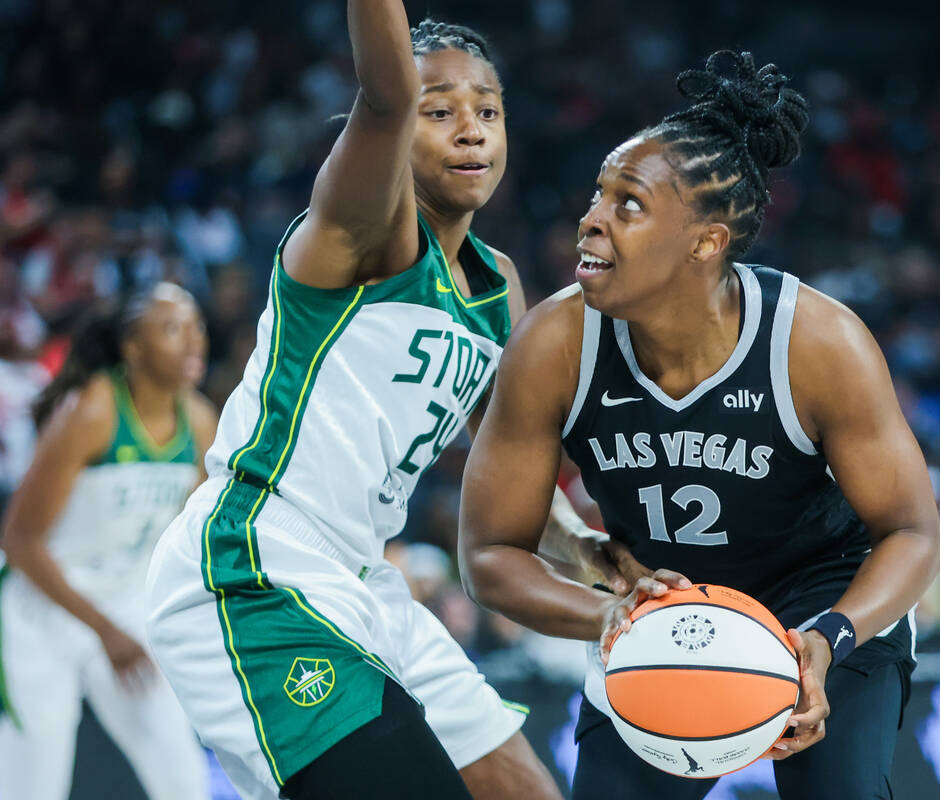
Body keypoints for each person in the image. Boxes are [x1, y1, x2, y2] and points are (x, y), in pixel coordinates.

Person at [143, 3, 637, 799]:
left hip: (367, 582)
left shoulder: (497, 286)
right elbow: (383, 95)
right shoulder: (361, 233)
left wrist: (580, 545)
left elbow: (497, 462)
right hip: (255, 568)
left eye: (488, 112)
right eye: (439, 112)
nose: (470, 129)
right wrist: (397, 91)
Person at [459, 50, 940, 799]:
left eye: (628, 205)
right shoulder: (554, 344)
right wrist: (611, 616)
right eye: (597, 196)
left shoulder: (816, 343)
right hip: (662, 606)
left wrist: (830, 637)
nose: (589, 220)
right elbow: (490, 552)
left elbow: (913, 533)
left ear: (705, 241)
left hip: (818, 596)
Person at [0, 282, 214, 800]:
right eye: (170, 329)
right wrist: (102, 629)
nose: (192, 343)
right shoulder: (92, 411)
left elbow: (189, 540)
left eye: (196, 327)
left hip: (125, 607)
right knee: (34, 788)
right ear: (132, 349)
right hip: (42, 611)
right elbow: (19, 541)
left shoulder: (201, 420)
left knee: (184, 780)